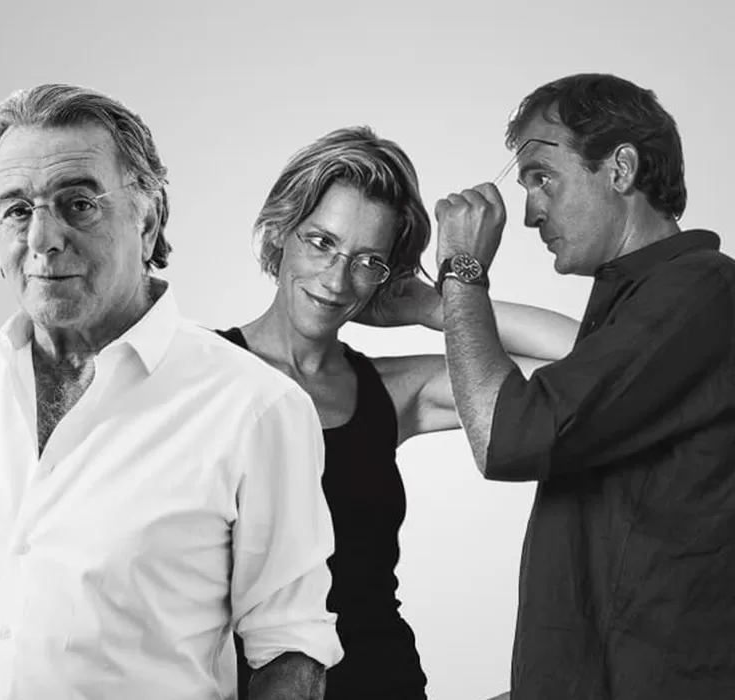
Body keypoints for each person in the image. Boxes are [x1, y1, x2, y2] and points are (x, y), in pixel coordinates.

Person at [0, 84, 343, 700]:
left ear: (147, 220)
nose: (43, 238)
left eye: (78, 204)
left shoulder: (255, 407)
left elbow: (289, 648)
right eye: (17, 210)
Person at [218, 126, 579, 699]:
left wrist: (435, 305)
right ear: (282, 231)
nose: (337, 279)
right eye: (321, 242)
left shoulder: (389, 391)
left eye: (368, 261)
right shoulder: (199, 376)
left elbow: (588, 363)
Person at [434, 73, 735, 699]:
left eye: (543, 177)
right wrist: (422, 305)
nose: (528, 214)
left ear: (620, 168)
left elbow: (505, 437)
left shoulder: (701, 291)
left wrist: (462, 270)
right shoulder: (645, 302)